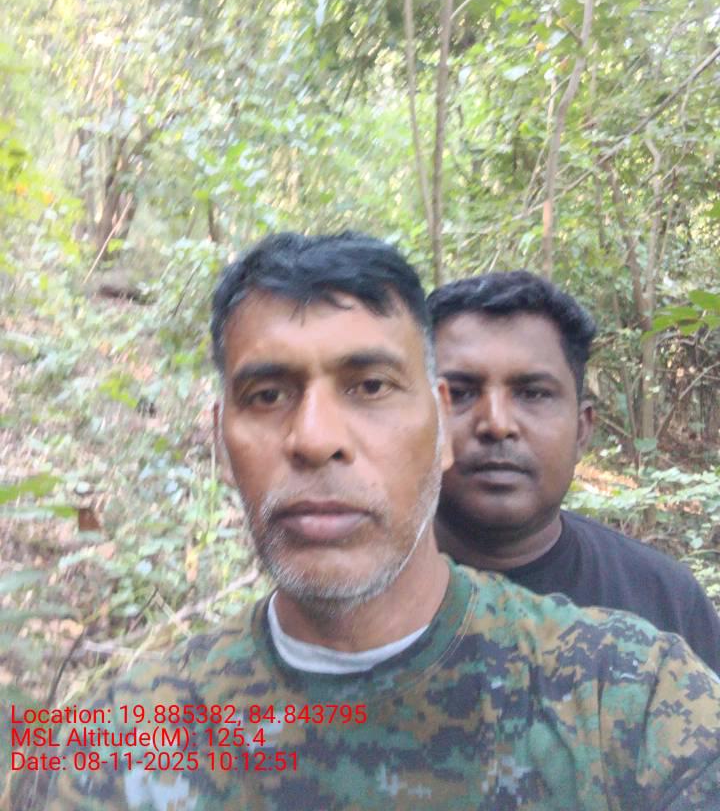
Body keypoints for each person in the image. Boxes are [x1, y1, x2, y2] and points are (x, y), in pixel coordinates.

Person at [32, 234, 720, 811]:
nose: (315, 438)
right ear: (221, 440)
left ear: (440, 426)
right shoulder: (117, 746)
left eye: (369, 387)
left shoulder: (629, 701)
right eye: (267, 395)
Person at [428, 270, 720, 674]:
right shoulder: (356, 595)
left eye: (533, 393)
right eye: (459, 393)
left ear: (582, 430)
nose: (497, 423)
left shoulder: (665, 600)